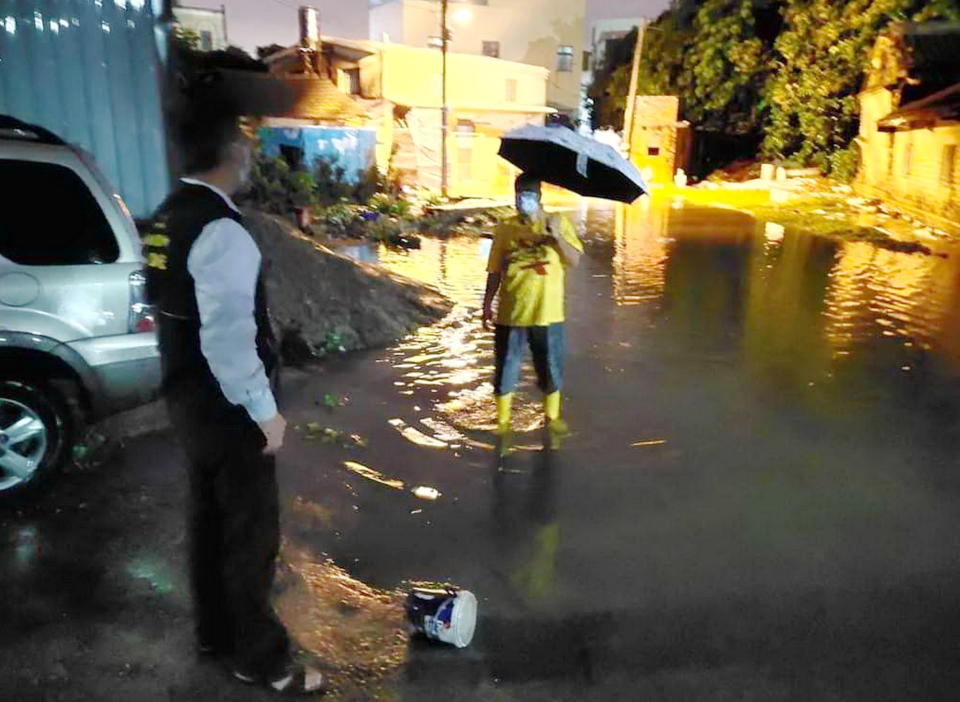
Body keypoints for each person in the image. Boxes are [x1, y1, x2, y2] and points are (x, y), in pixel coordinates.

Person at [143, 94, 325, 695]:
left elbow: (173, 312)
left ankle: (213, 633)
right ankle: (260, 658)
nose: (249, 152)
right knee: (249, 533)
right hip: (226, 407)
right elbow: (229, 343)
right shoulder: (222, 231)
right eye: (244, 140)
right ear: (227, 150)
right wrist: (267, 415)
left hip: (186, 398)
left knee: (207, 519)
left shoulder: (166, 217)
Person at [481, 174, 583, 439]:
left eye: (528, 193)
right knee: (505, 369)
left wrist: (557, 237)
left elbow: (574, 260)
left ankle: (552, 419)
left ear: (539, 196)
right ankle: (503, 424)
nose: (523, 198)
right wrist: (486, 304)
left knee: (550, 367)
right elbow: (494, 270)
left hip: (547, 314)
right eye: (519, 193)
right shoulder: (505, 227)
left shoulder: (558, 222)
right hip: (510, 313)